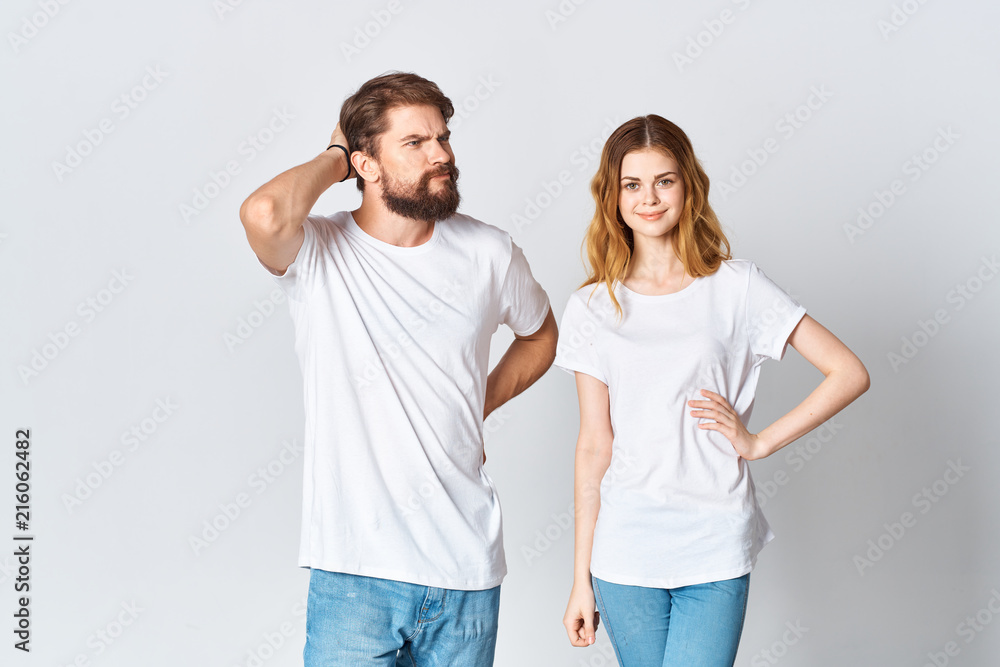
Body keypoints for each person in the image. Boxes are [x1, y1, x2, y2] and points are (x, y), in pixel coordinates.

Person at [238, 71, 557, 666]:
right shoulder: (318, 250)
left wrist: (476, 405)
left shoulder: (489, 252)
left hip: (466, 573)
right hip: (355, 575)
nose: (442, 155)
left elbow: (540, 335)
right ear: (368, 164)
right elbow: (262, 213)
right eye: (415, 143)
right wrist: (335, 155)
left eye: (443, 137)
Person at [556, 115, 870, 666]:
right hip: (625, 549)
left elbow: (848, 371)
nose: (649, 199)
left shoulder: (736, 286)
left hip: (713, 539)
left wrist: (760, 443)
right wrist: (580, 578)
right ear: (613, 195)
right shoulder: (590, 307)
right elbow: (593, 446)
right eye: (632, 184)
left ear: (688, 187)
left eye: (665, 181)